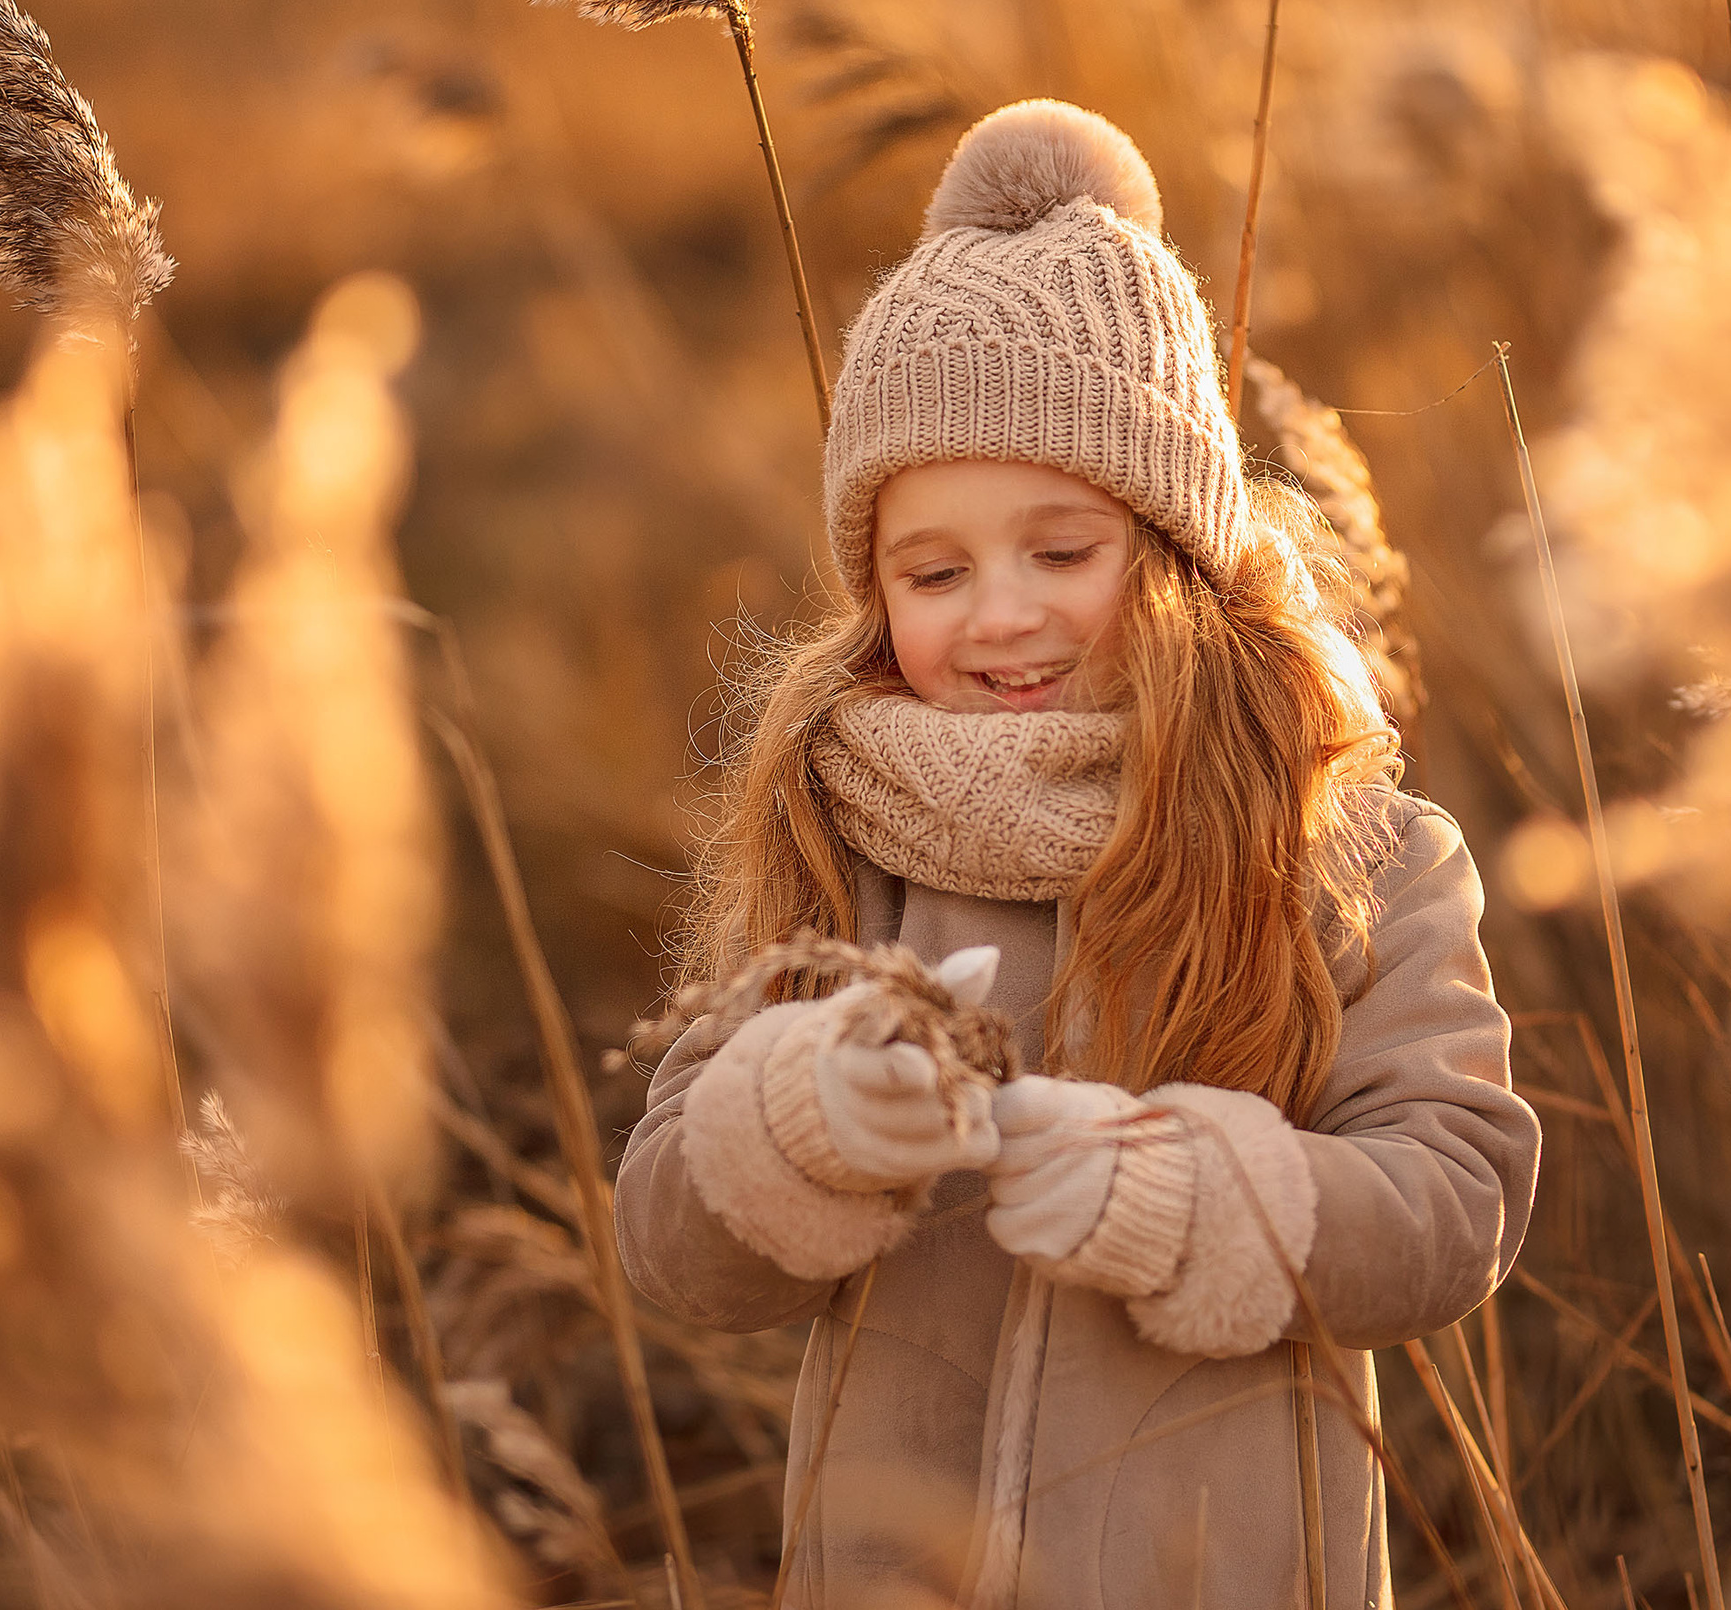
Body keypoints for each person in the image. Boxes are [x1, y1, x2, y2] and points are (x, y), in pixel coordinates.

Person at [613, 98, 1541, 1610]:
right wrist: (797, 1119)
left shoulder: (1341, 846)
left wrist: (1204, 1205)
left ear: (1171, 549)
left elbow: (1457, 1196)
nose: (1000, 614)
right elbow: (673, 1244)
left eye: (1063, 550)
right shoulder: (839, 837)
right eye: (935, 569)